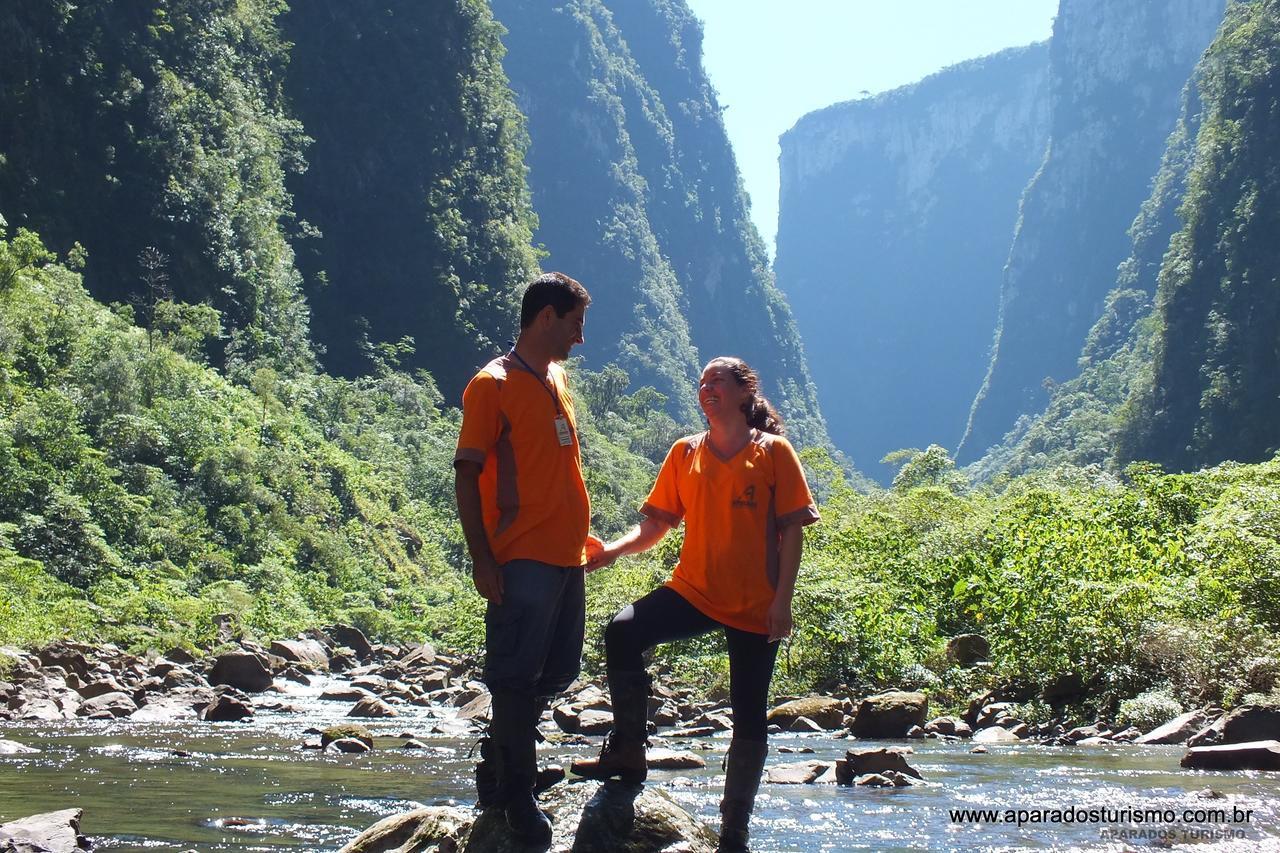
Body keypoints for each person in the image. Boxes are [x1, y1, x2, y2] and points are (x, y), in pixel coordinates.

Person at [572, 356, 819, 853]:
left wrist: (783, 601)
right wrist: (611, 553)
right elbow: (657, 525)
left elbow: (792, 531)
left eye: (717, 382)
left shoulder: (773, 453)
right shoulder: (685, 453)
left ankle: (734, 830)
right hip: (694, 591)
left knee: (749, 714)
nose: (706, 389)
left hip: (755, 603)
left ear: (744, 393)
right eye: (701, 382)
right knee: (623, 630)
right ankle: (628, 752)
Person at [454, 271, 599, 844]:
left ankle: (499, 755)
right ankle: (517, 797)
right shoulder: (491, 385)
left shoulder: (556, 378)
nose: (580, 337)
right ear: (546, 318)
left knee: (558, 671)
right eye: (575, 324)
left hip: (565, 557)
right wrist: (482, 559)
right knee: (514, 677)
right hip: (522, 557)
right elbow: (467, 475)